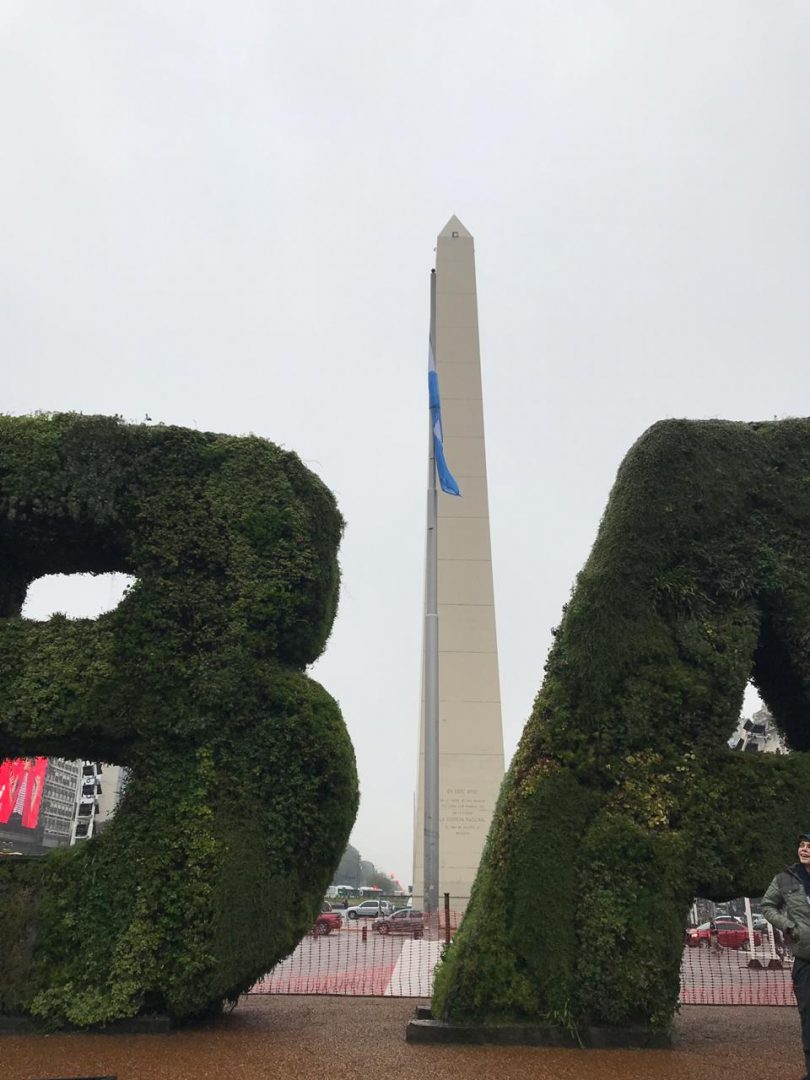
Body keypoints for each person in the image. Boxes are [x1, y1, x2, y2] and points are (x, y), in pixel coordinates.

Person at [762, 834, 810, 1079]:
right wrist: (789, 927)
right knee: (808, 1015)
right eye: (802, 845)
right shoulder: (785, 878)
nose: (804, 849)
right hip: (805, 959)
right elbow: (767, 906)